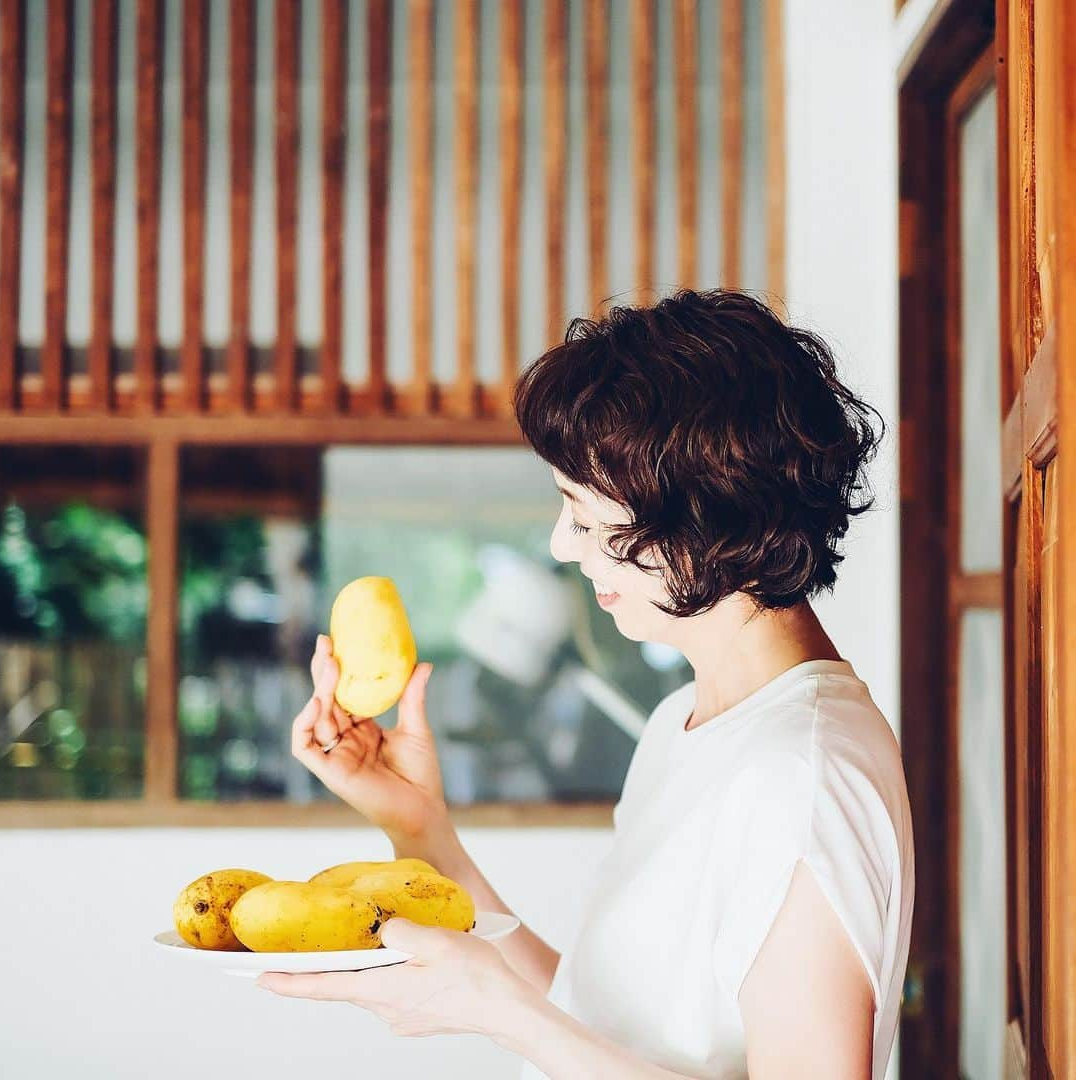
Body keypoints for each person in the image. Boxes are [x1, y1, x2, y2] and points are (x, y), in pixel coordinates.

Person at [257, 288, 915, 1080]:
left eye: (581, 512)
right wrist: (418, 827)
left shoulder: (802, 774)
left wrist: (501, 1014)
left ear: (698, 512)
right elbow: (600, 1019)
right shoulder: (687, 720)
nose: (562, 546)